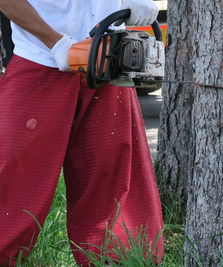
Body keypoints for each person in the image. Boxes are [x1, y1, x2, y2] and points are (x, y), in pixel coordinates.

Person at [0, 0, 164, 265]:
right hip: (40, 59)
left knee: (113, 174)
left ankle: (116, 260)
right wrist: (55, 43)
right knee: (14, 174)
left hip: (107, 58)